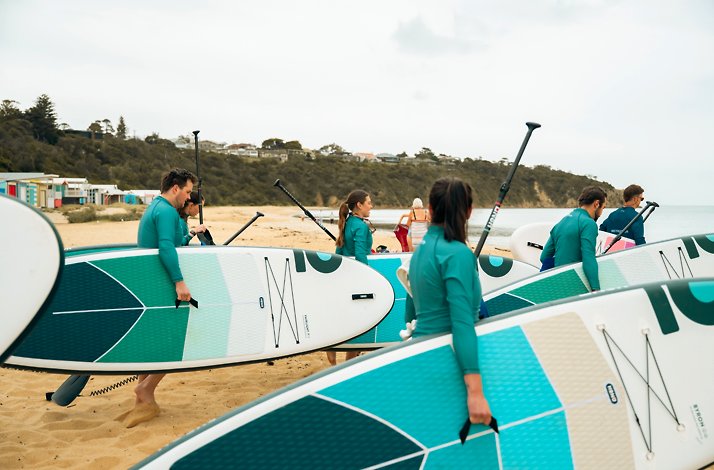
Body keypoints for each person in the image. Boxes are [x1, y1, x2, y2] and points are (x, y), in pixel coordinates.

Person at [403, 177, 492, 428]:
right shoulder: (458, 254)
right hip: (449, 363)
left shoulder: (422, 249)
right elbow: (462, 323)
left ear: (430, 210)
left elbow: (411, 309)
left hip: (424, 353)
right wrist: (475, 393)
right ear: (469, 212)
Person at [117, 168, 197, 428]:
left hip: (151, 283)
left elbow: (175, 241)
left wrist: (188, 235)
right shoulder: (164, 211)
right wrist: (179, 281)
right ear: (175, 188)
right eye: (187, 191)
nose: (188, 198)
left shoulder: (158, 208)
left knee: (153, 342)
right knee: (173, 342)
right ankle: (146, 390)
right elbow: (165, 247)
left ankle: (143, 402)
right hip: (161, 283)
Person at [327, 189, 374, 365]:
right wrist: (370, 278)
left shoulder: (348, 222)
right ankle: (349, 363)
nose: (371, 206)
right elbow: (361, 255)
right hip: (357, 277)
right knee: (358, 323)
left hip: (345, 274)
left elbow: (339, 251)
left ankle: (334, 358)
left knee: (344, 318)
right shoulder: (361, 226)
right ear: (359, 205)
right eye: (368, 203)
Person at [540, 186, 607, 291]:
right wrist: (596, 289)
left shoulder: (561, 222)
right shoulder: (589, 223)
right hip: (572, 283)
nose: (602, 212)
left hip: (556, 282)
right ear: (596, 204)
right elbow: (588, 258)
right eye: (603, 207)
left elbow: (544, 257)